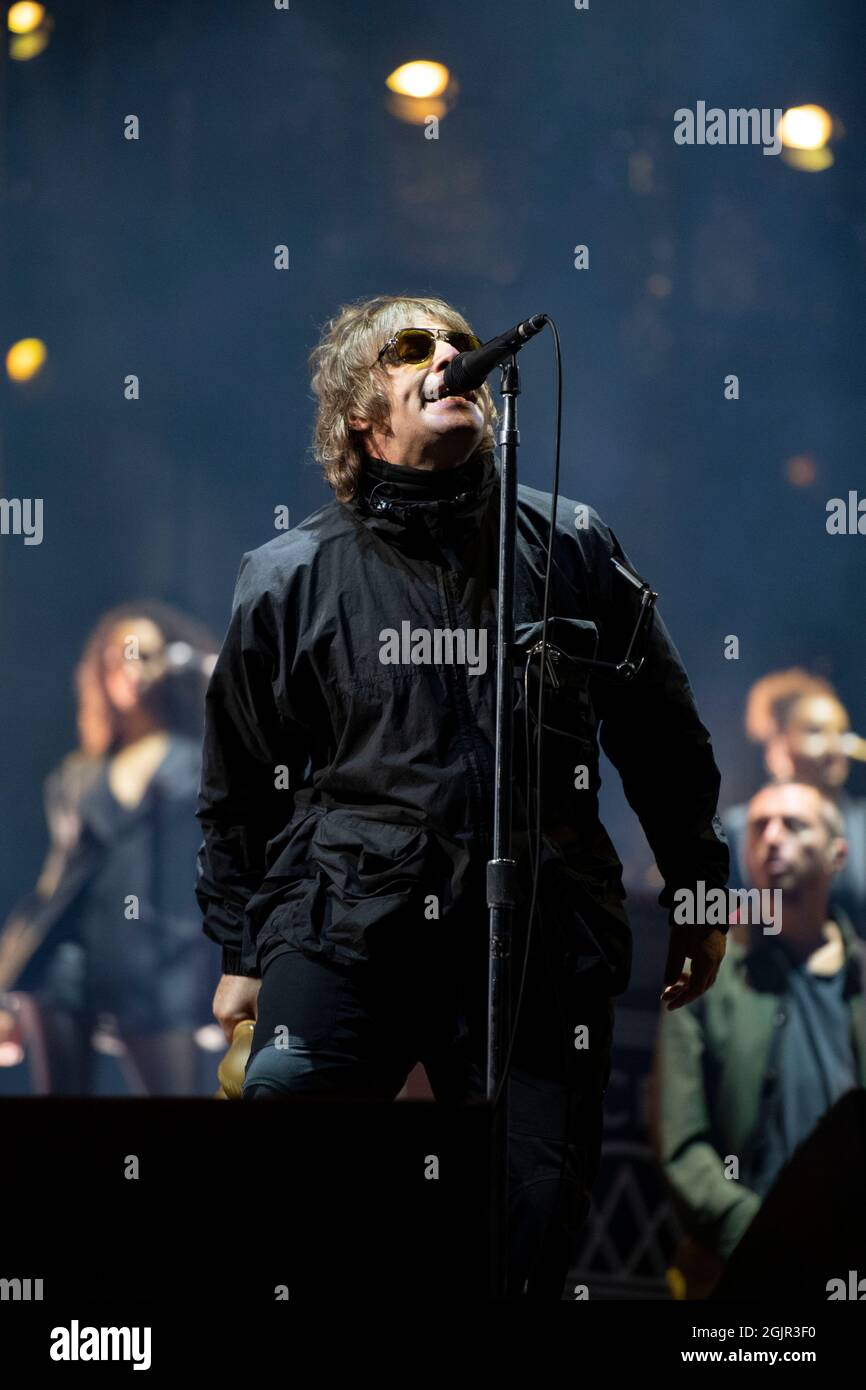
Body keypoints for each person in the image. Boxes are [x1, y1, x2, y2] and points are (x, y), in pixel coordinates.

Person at [195, 294, 729, 1299]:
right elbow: (239, 781)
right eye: (411, 348)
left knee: (531, 1214)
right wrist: (240, 945)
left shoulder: (569, 544)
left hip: (537, 924)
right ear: (366, 415)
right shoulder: (288, 576)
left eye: (453, 338)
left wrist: (701, 885)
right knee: (279, 1114)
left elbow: (660, 731)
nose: (449, 355)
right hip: (352, 918)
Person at [651, 781, 866, 1299]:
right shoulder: (703, 978)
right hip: (737, 1269)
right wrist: (761, 1234)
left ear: (839, 854)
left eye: (793, 824)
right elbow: (681, 1142)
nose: (770, 838)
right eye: (759, 827)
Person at [0, 601, 221, 1095]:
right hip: (70, 961)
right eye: (117, 656)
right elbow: (54, 886)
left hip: (161, 967)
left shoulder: (202, 761)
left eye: (143, 653)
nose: (129, 667)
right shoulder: (77, 774)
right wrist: (5, 990)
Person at [721, 669, 866, 938]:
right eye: (816, 731)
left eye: (842, 732)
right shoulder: (738, 826)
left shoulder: (861, 822)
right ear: (781, 741)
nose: (838, 745)